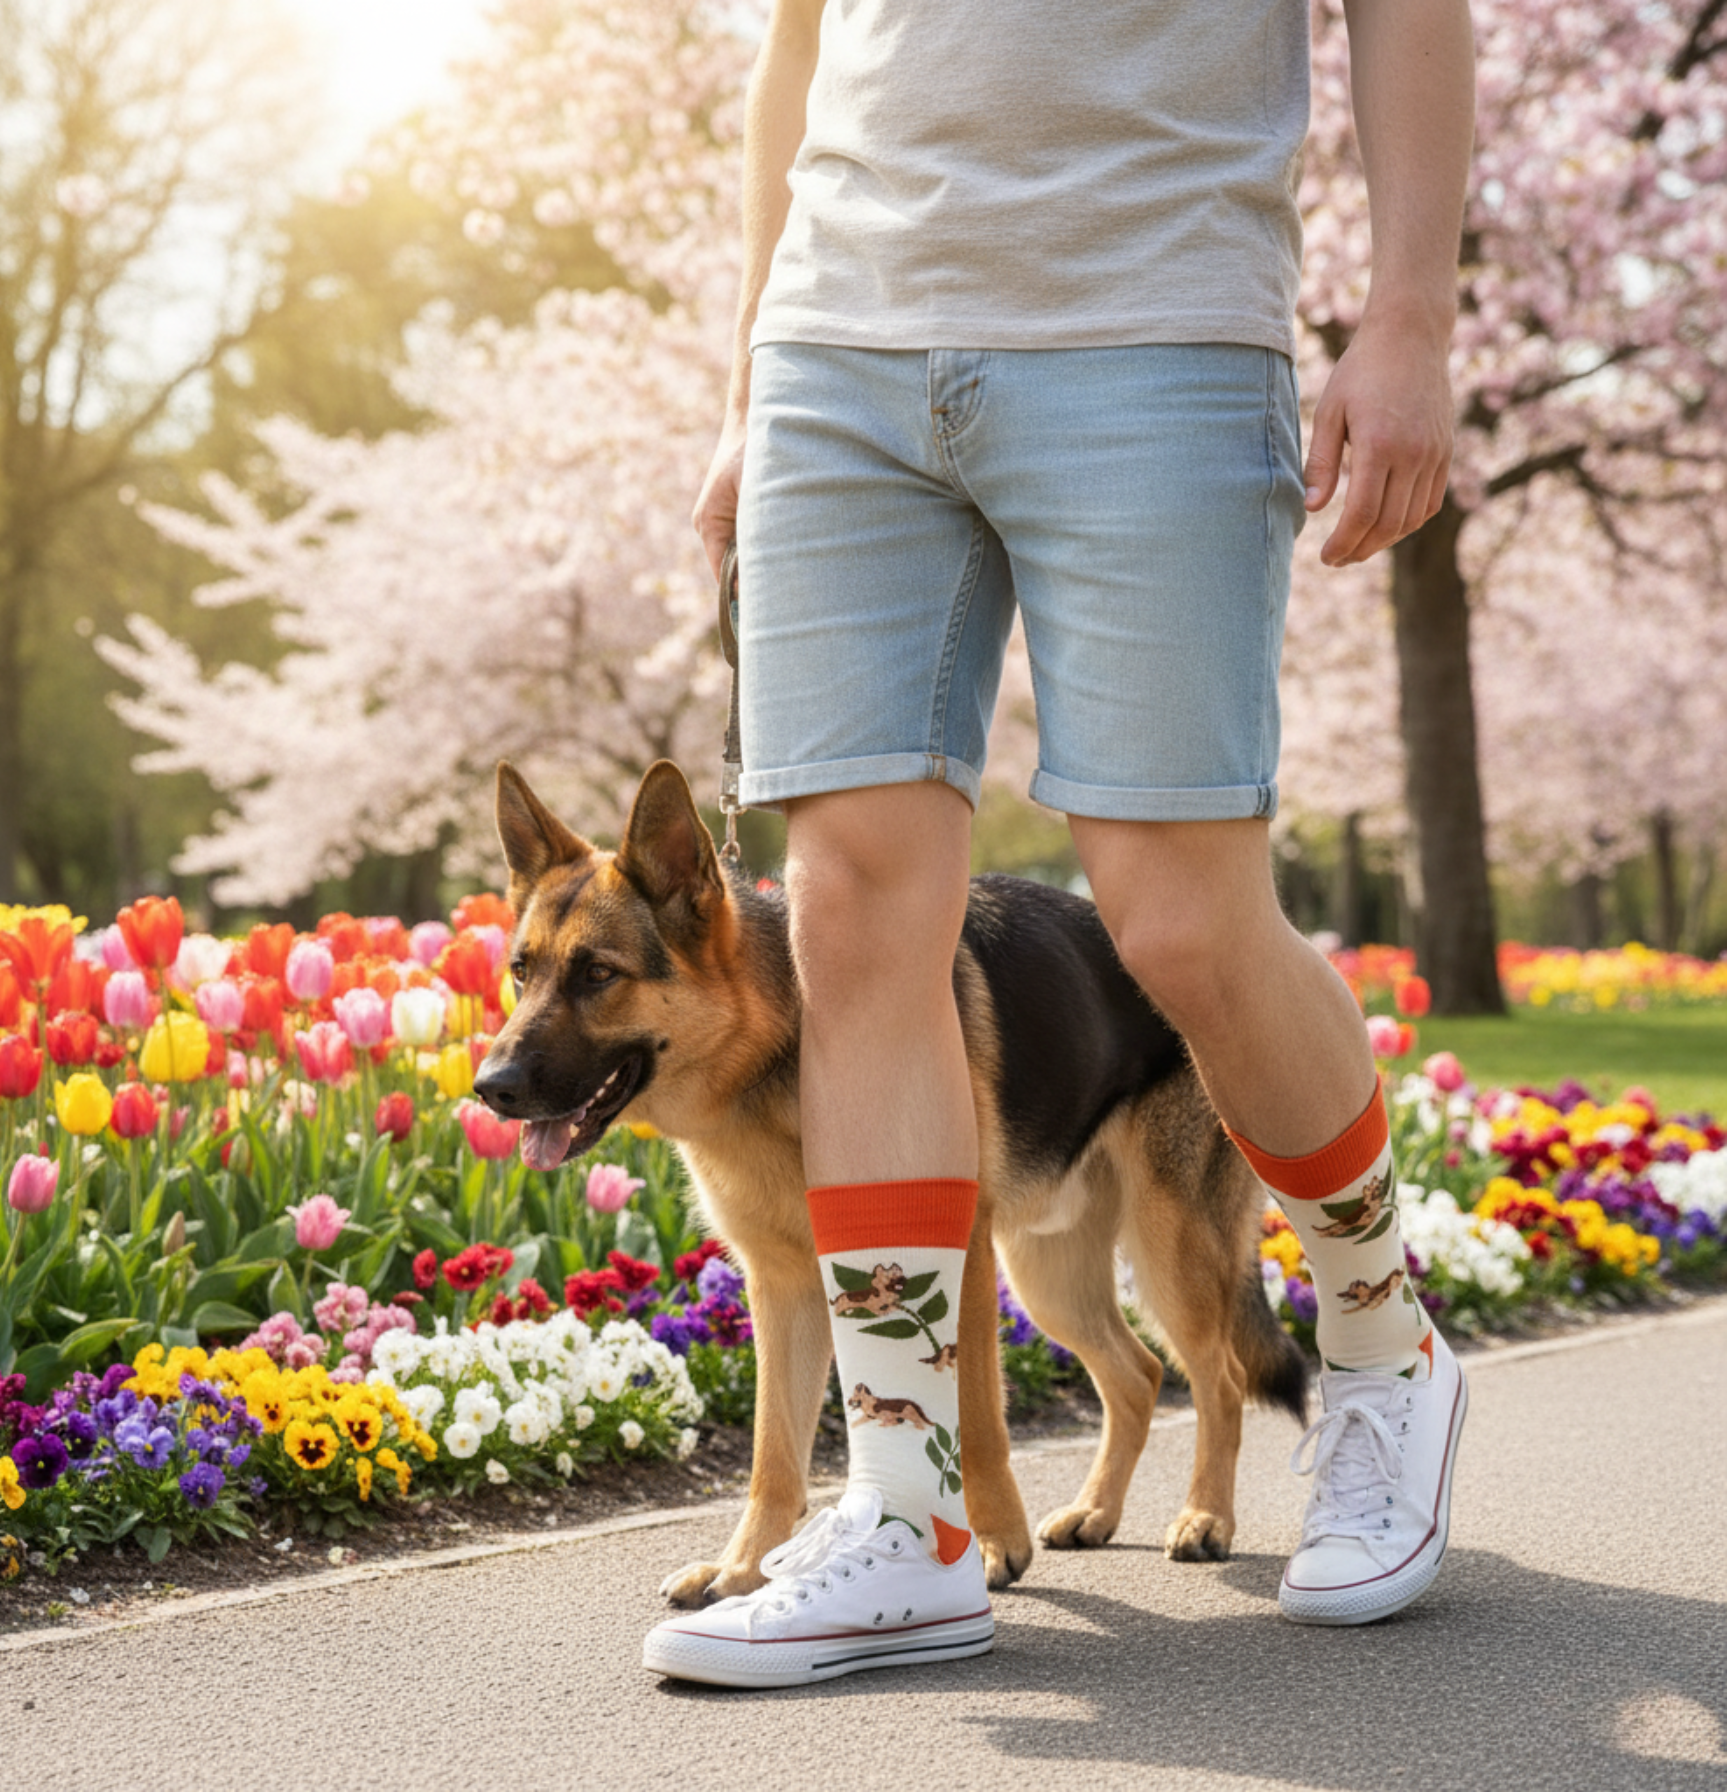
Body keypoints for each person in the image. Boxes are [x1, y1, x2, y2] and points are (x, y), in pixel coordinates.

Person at [645, 0, 1476, 1685]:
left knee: (1180, 927)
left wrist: (1409, 316)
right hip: (839, 347)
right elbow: (798, 41)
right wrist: (748, 376)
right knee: (847, 917)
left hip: (1152, 322)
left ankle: (1384, 1342)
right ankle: (909, 1512)